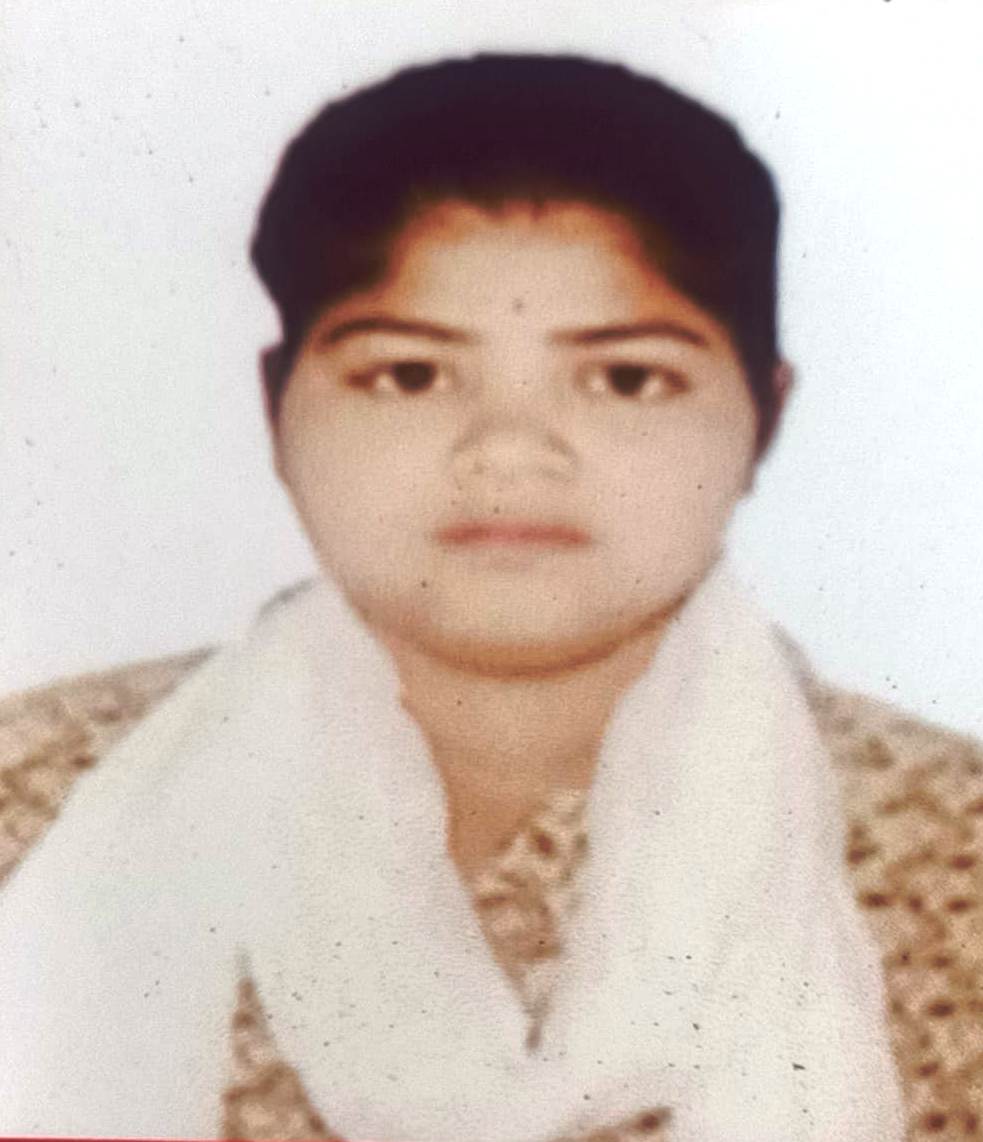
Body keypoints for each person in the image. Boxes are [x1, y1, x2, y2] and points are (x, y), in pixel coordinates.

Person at [1, 52, 980, 1141]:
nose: (509, 452)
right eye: (410, 374)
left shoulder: (954, 851)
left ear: (764, 412)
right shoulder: (30, 798)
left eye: (624, 377)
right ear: (277, 406)